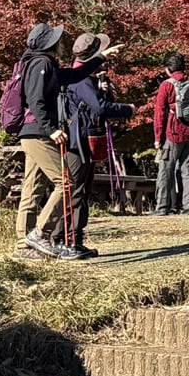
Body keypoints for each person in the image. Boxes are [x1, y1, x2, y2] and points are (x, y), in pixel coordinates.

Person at [13, 24, 105, 259]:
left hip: (33, 132)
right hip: (38, 133)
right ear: (50, 43)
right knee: (65, 182)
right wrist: (52, 129)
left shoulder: (42, 63)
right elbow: (35, 100)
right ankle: (40, 234)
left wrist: (100, 58)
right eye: (58, 39)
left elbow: (73, 75)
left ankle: (24, 248)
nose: (62, 42)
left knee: (32, 190)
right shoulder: (41, 64)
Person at [49, 33, 135, 255]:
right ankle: (66, 240)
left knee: (79, 190)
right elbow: (100, 109)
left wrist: (104, 91)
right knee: (75, 190)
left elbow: (98, 105)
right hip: (78, 142)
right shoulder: (81, 79)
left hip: (79, 139)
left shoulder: (80, 75)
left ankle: (70, 239)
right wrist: (128, 109)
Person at [152, 52, 189, 216]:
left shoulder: (167, 85)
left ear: (167, 69)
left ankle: (162, 207)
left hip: (172, 134)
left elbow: (160, 113)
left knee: (165, 170)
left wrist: (158, 137)